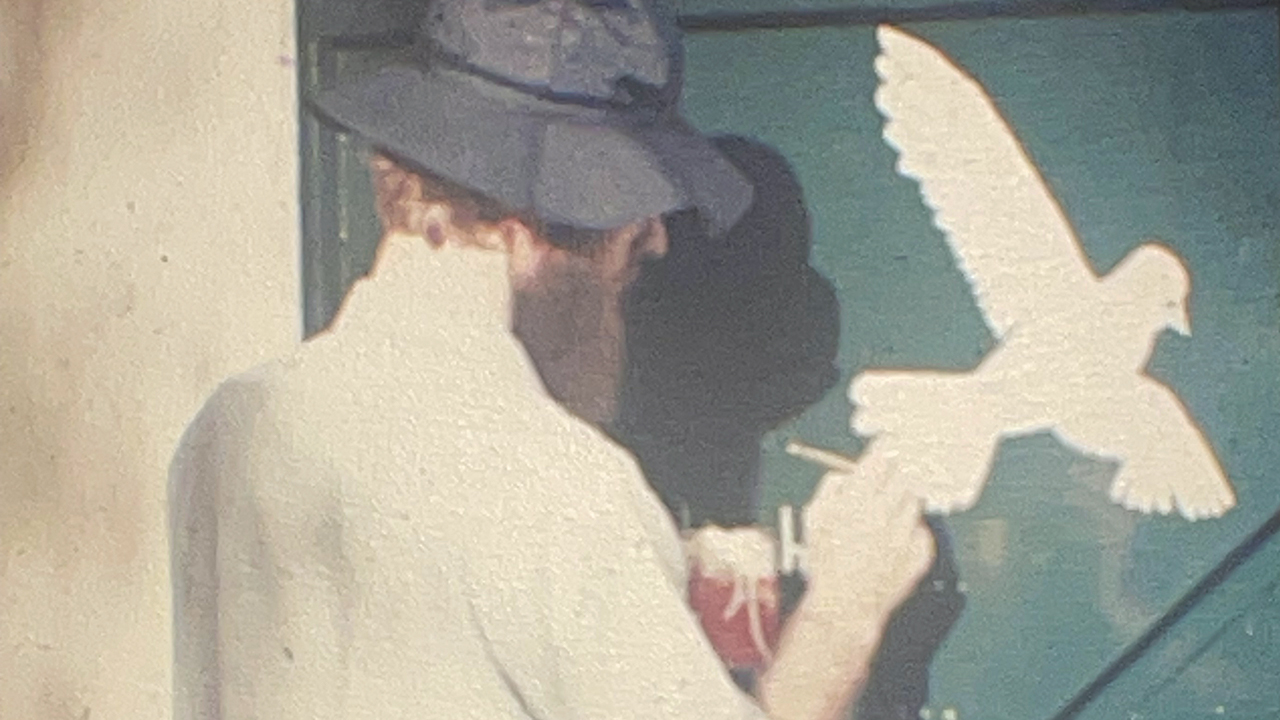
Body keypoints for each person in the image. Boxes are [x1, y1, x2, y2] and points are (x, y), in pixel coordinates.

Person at [167, 2, 935, 720]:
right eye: (628, 239)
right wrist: (844, 611)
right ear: (529, 235)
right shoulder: (558, 485)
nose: (658, 242)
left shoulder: (232, 428)